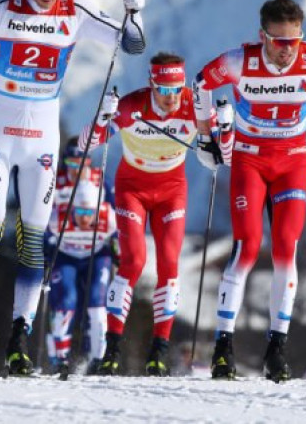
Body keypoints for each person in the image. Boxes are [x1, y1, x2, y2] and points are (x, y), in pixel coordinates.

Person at [0, 0, 147, 374]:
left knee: (33, 240)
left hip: (42, 142)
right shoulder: (4, 4)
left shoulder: (75, 10)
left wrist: (134, 13)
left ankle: (18, 339)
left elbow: (130, 46)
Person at [193, 0, 306, 381]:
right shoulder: (239, 61)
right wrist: (204, 137)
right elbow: (199, 84)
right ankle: (223, 348)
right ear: (261, 36)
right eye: (278, 43)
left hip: (292, 160)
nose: (286, 51)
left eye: (293, 42)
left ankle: (276, 348)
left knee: (285, 248)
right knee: (247, 246)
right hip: (249, 158)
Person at [79, 52, 233, 376]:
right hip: (132, 187)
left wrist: (227, 128)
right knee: (133, 260)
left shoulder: (195, 105)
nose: (171, 98)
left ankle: (158, 351)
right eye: (163, 90)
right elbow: (85, 145)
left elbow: (224, 157)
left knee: (169, 263)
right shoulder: (131, 107)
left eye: (176, 89)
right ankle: (112, 348)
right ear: (151, 87)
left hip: (171, 190)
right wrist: (102, 119)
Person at [46, 178, 117, 375]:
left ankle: (98, 359)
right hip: (66, 257)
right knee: (66, 300)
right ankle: (59, 358)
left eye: (89, 213)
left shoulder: (108, 218)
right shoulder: (56, 218)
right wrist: (45, 254)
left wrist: (118, 250)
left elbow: (122, 235)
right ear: (71, 209)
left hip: (96, 258)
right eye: (80, 212)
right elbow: (42, 238)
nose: (85, 219)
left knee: (97, 302)